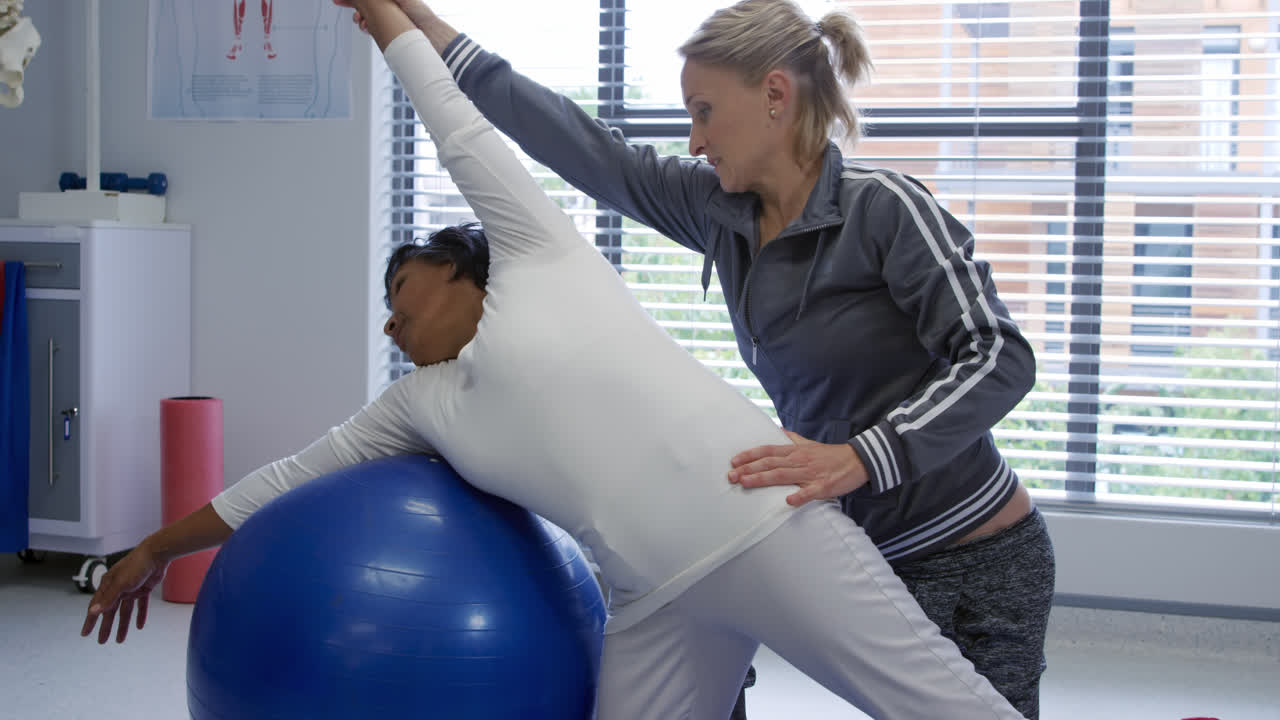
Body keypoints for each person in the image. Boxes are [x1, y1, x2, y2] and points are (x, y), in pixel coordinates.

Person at [81, 2, 1026, 719]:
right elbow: (289, 478)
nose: (389, 323)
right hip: (650, 597)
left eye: (398, 293)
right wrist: (152, 550)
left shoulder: (539, 259)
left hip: (760, 530)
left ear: (456, 272)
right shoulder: (418, 406)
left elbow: (465, 126)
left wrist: (380, 19)